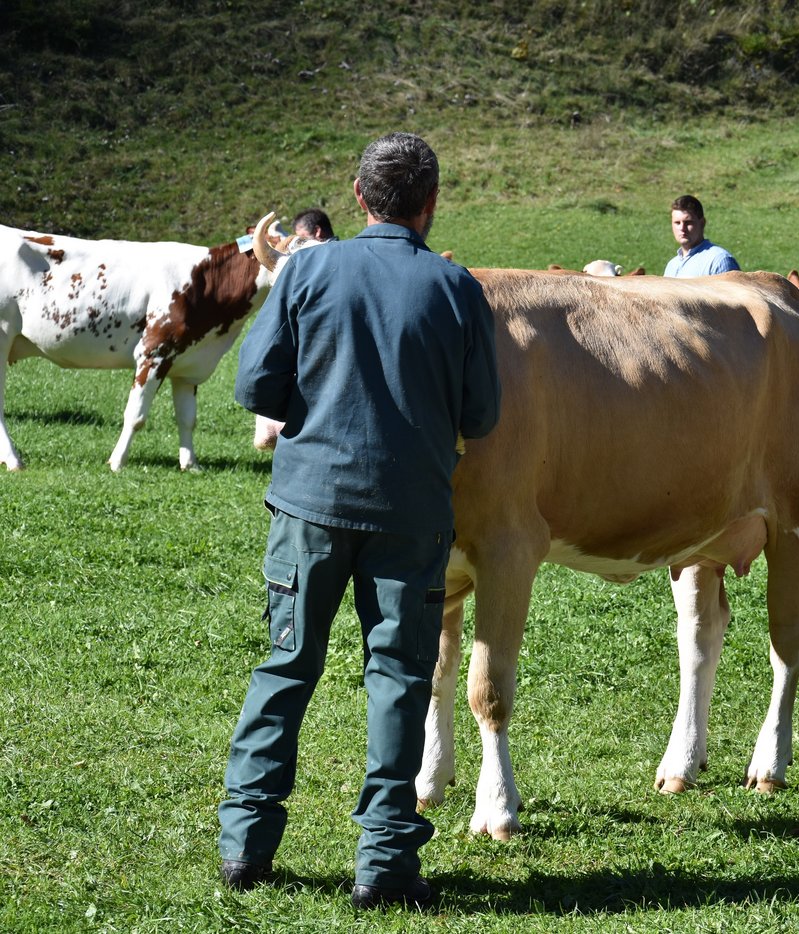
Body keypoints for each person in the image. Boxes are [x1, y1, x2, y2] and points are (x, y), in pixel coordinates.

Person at [217, 132, 501, 909]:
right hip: (411, 514)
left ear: (357, 194)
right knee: (401, 680)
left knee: (285, 667)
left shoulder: (309, 268)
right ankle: (384, 865)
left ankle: (246, 847)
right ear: (432, 204)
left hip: (309, 505)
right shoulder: (458, 289)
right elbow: (482, 413)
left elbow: (256, 391)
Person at [664, 194, 740, 278]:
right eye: (677, 223)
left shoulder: (719, 261)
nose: (682, 228)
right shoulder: (671, 266)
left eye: (688, 222)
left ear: (702, 223)